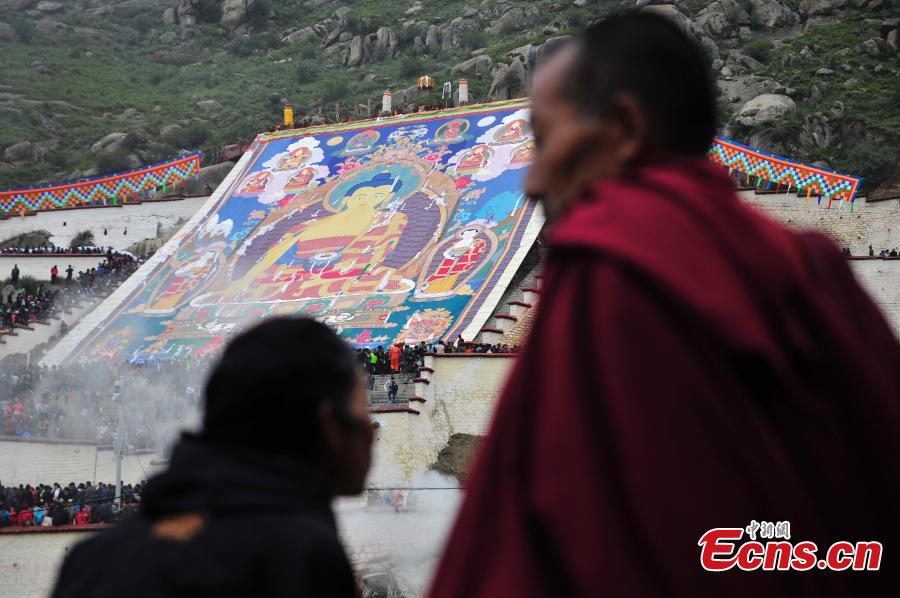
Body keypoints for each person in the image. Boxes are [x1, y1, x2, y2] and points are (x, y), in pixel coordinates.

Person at [431, 13, 899, 598]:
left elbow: (527, 548)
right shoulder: (817, 275)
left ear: (625, 126)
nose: (532, 179)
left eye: (547, 139)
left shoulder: (613, 277)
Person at [51, 317, 373, 598]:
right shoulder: (299, 556)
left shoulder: (92, 560)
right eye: (363, 411)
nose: (371, 432)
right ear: (329, 423)